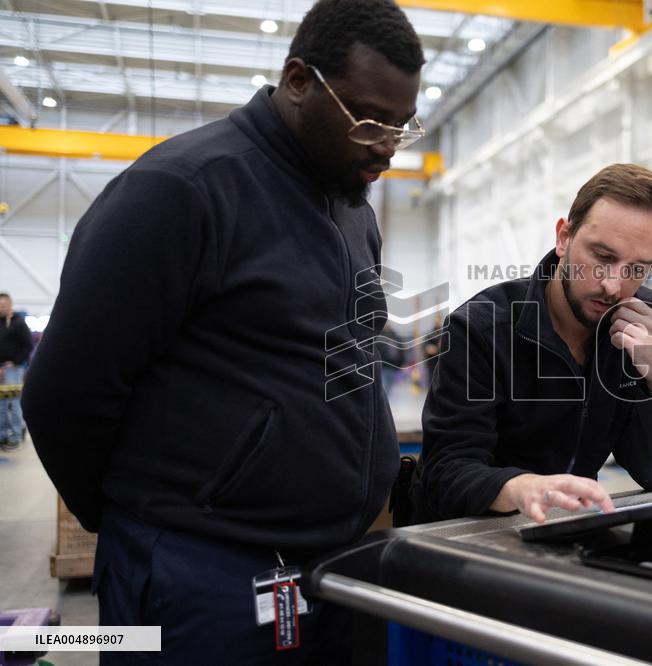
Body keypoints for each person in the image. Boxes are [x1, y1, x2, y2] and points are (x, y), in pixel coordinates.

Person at [21, 1, 424, 662]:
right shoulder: (181, 190)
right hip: (197, 581)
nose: (384, 145)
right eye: (367, 119)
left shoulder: (353, 211)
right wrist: (146, 521)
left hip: (322, 564)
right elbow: (63, 393)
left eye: (401, 126)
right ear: (299, 82)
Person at [410, 164, 652, 524]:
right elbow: (446, 472)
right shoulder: (482, 328)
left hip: (564, 529)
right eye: (602, 258)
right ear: (564, 237)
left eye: (637, 269)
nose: (613, 285)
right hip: (466, 534)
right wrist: (519, 488)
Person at [0, 292, 32, 450]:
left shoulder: (18, 323)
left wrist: (14, 362)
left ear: (10, 305)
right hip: (0, 370)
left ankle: (15, 435)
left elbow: (28, 345)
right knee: (1, 405)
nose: (1, 308)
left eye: (3, 305)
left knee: (12, 404)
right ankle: (2, 435)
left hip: (13, 369)